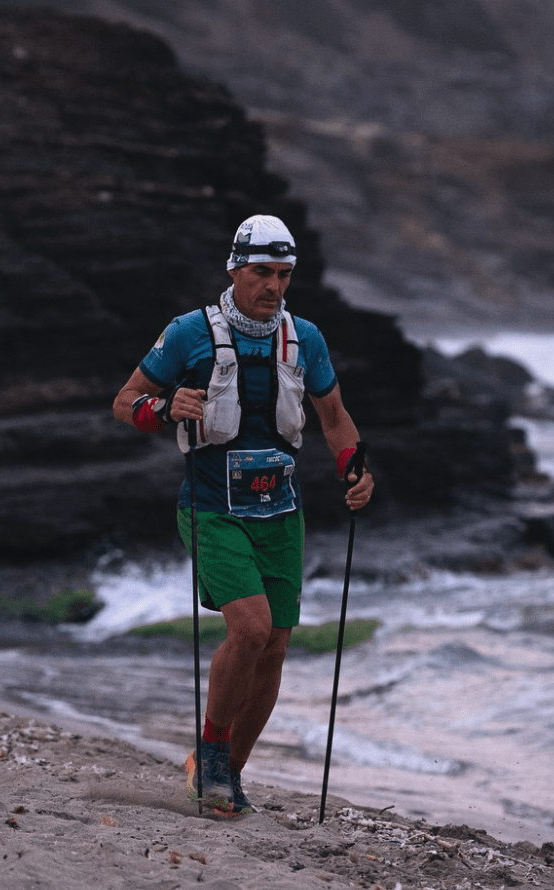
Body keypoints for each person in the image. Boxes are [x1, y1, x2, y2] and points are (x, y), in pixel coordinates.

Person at [113, 214, 373, 815]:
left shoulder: (305, 338)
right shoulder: (188, 333)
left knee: (275, 645)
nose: (273, 286)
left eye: (284, 274)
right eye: (262, 272)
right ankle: (210, 754)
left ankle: (227, 773)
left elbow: (335, 419)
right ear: (234, 269)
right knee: (251, 629)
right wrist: (164, 407)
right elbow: (125, 403)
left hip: (280, 512)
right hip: (211, 509)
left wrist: (355, 470)